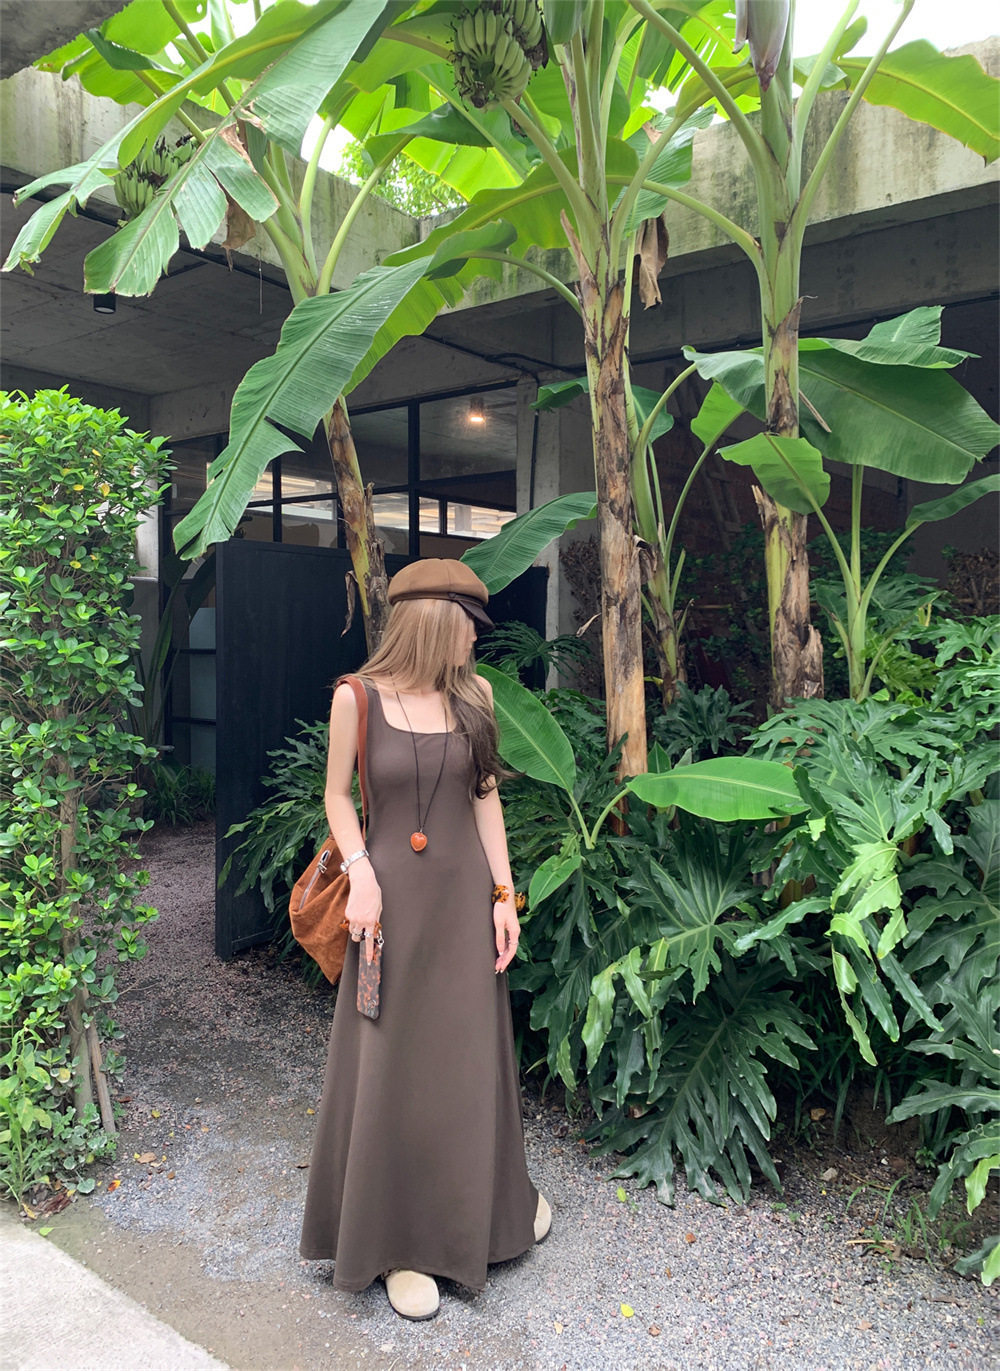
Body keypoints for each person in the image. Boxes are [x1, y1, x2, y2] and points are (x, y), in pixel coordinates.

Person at [299, 558, 551, 1320]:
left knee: (465, 1061)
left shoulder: (475, 697)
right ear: (437, 623)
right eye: (469, 627)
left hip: (461, 902)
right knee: (393, 1062)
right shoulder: (357, 697)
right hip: (388, 908)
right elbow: (337, 796)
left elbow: (485, 796)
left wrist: (504, 894)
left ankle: (495, 1204)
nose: (476, 641)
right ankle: (397, 1242)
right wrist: (362, 872)